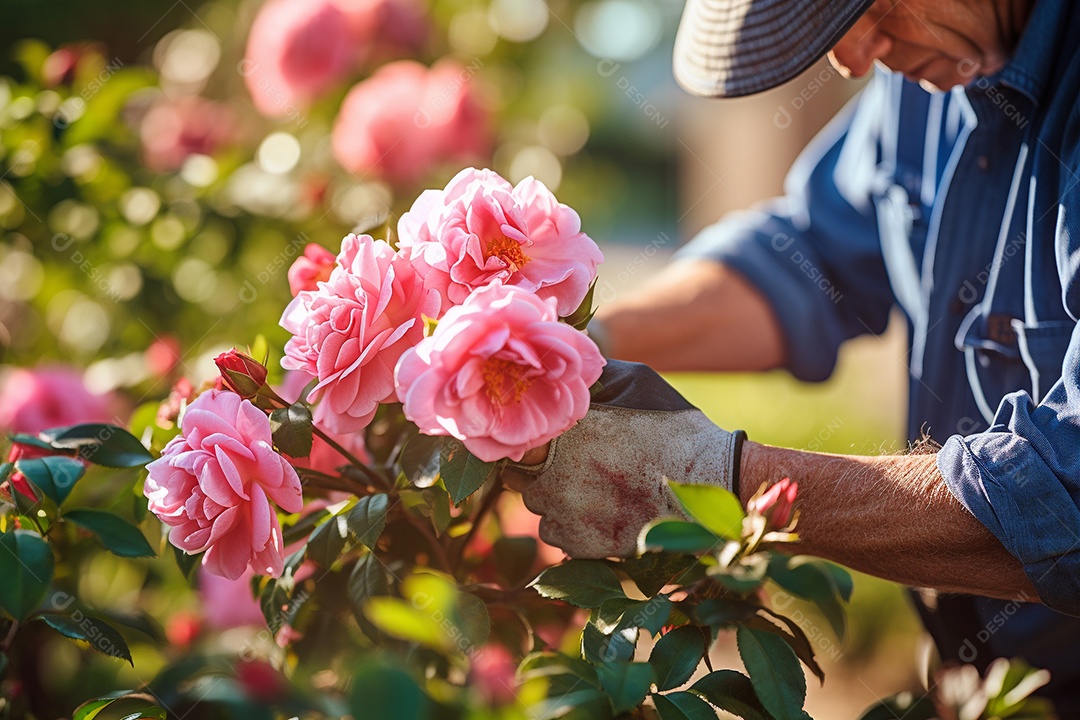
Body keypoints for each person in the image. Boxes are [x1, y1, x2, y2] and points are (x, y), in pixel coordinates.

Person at [503, 0, 1080, 713]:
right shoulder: (929, 72)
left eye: (867, 8)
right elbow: (813, 256)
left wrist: (718, 483)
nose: (854, 57)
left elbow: (1070, 486)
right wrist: (571, 349)